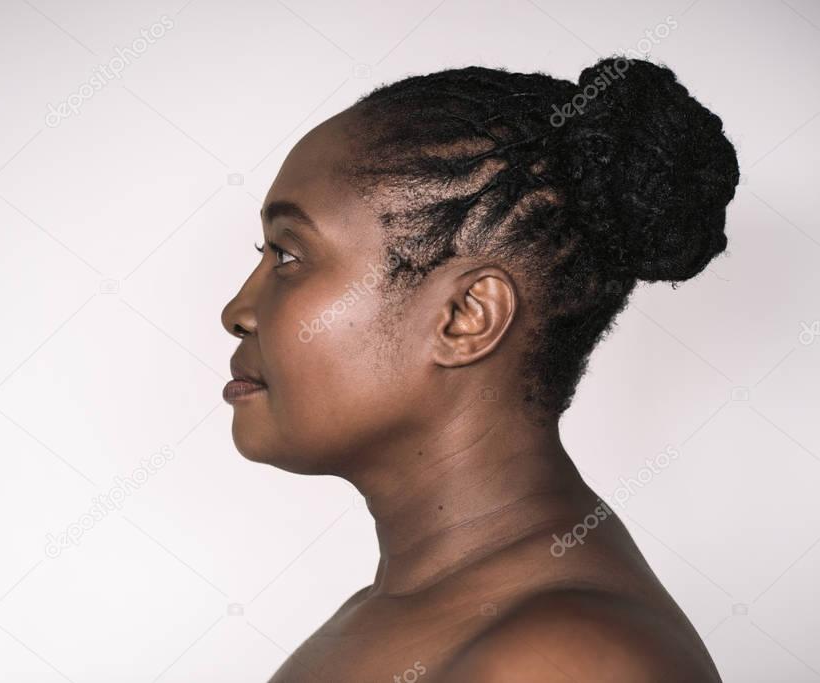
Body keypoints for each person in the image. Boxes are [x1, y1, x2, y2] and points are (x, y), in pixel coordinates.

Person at [220, 55, 739, 681]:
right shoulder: (407, 608)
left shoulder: (565, 661)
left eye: (289, 255)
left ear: (466, 317)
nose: (238, 311)